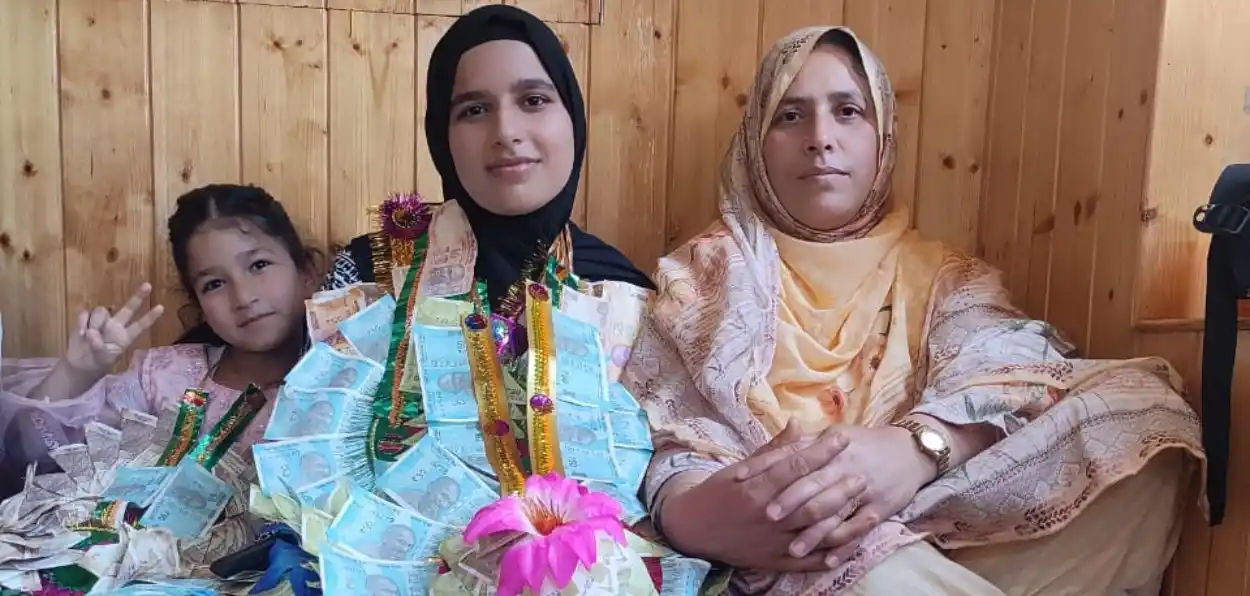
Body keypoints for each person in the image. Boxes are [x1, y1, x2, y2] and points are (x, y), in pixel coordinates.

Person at [622, 27, 1205, 595]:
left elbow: (1008, 376)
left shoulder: (944, 277)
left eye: (848, 111)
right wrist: (695, 513)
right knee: (876, 574)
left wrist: (914, 449)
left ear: (884, 137)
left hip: (933, 516)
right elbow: (673, 439)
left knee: (1146, 417)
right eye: (790, 115)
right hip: (779, 549)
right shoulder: (699, 281)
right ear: (756, 142)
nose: (820, 137)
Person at [0, 184, 319, 581]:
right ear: (197, 303)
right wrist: (76, 372)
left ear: (306, 273)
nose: (243, 296)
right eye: (214, 284)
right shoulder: (163, 378)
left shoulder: (348, 382)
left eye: (258, 265)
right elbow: (45, 458)